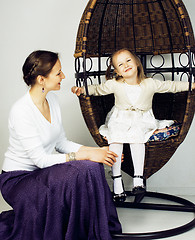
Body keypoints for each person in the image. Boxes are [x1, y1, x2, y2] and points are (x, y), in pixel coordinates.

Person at [0, 50, 122, 240]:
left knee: (92, 166)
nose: (63, 76)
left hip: (42, 173)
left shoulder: (53, 101)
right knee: (80, 169)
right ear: (41, 79)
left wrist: (97, 152)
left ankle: (99, 229)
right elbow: (40, 160)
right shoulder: (21, 111)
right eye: (58, 73)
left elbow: (61, 142)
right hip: (19, 179)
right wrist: (86, 155)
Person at [71, 48, 195, 202]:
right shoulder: (115, 84)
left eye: (128, 60)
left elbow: (171, 86)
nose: (126, 65)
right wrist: (82, 90)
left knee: (138, 135)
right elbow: (98, 89)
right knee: (115, 137)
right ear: (117, 72)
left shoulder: (150, 83)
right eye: (120, 64)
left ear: (137, 62)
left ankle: (138, 178)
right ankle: (117, 179)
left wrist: (191, 85)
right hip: (120, 118)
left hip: (142, 120)